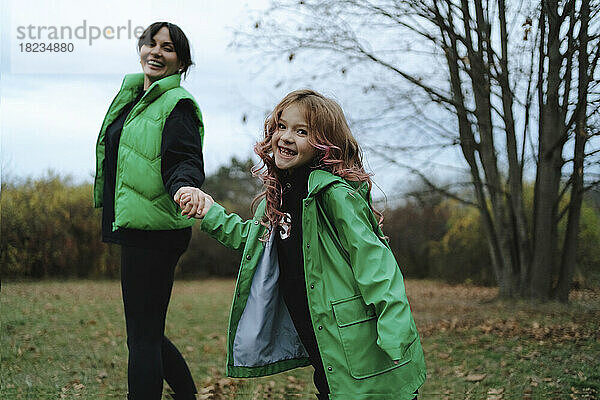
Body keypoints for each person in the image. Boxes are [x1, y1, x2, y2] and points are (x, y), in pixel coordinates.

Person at [180, 90, 426, 399]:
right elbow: (254, 241)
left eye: (302, 131)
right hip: (323, 340)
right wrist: (210, 212)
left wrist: (394, 328)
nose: (285, 137)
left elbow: (374, 261)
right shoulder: (279, 195)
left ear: (324, 143)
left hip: (358, 341)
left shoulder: (333, 195)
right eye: (282, 126)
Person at [93, 21, 204, 400]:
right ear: (140, 49)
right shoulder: (133, 99)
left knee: (141, 337)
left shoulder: (177, 105)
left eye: (168, 48)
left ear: (181, 63)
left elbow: (184, 159)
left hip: (156, 230)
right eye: (150, 43)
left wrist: (186, 185)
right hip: (136, 222)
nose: (156, 51)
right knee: (146, 333)